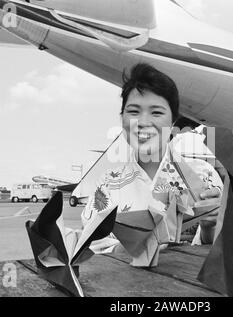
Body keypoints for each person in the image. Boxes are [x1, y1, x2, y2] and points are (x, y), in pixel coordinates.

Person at [81, 63, 223, 254]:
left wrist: (209, 226)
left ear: (173, 121)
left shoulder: (203, 175)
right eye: (133, 111)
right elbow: (91, 246)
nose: (143, 122)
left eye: (156, 112)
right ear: (122, 118)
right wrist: (137, 245)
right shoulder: (107, 184)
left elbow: (217, 250)